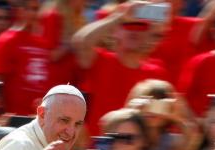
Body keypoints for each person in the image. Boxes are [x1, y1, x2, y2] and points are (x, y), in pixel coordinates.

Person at [73, 2, 170, 135]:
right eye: (127, 25)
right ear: (114, 32)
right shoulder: (101, 60)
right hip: (99, 146)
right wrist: (119, 17)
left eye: (141, 26)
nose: (133, 30)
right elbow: (81, 42)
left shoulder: (156, 72)